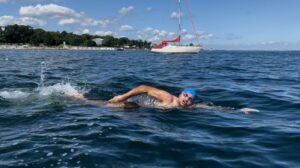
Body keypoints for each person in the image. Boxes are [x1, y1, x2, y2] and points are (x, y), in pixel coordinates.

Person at [72, 85, 258, 113]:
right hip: (136, 102)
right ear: (180, 94)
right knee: (105, 106)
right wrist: (123, 96)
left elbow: (212, 108)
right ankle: (79, 98)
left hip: (142, 110)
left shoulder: (188, 108)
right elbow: (144, 87)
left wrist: (238, 111)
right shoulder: (167, 98)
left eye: (191, 98)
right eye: (186, 95)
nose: (187, 99)